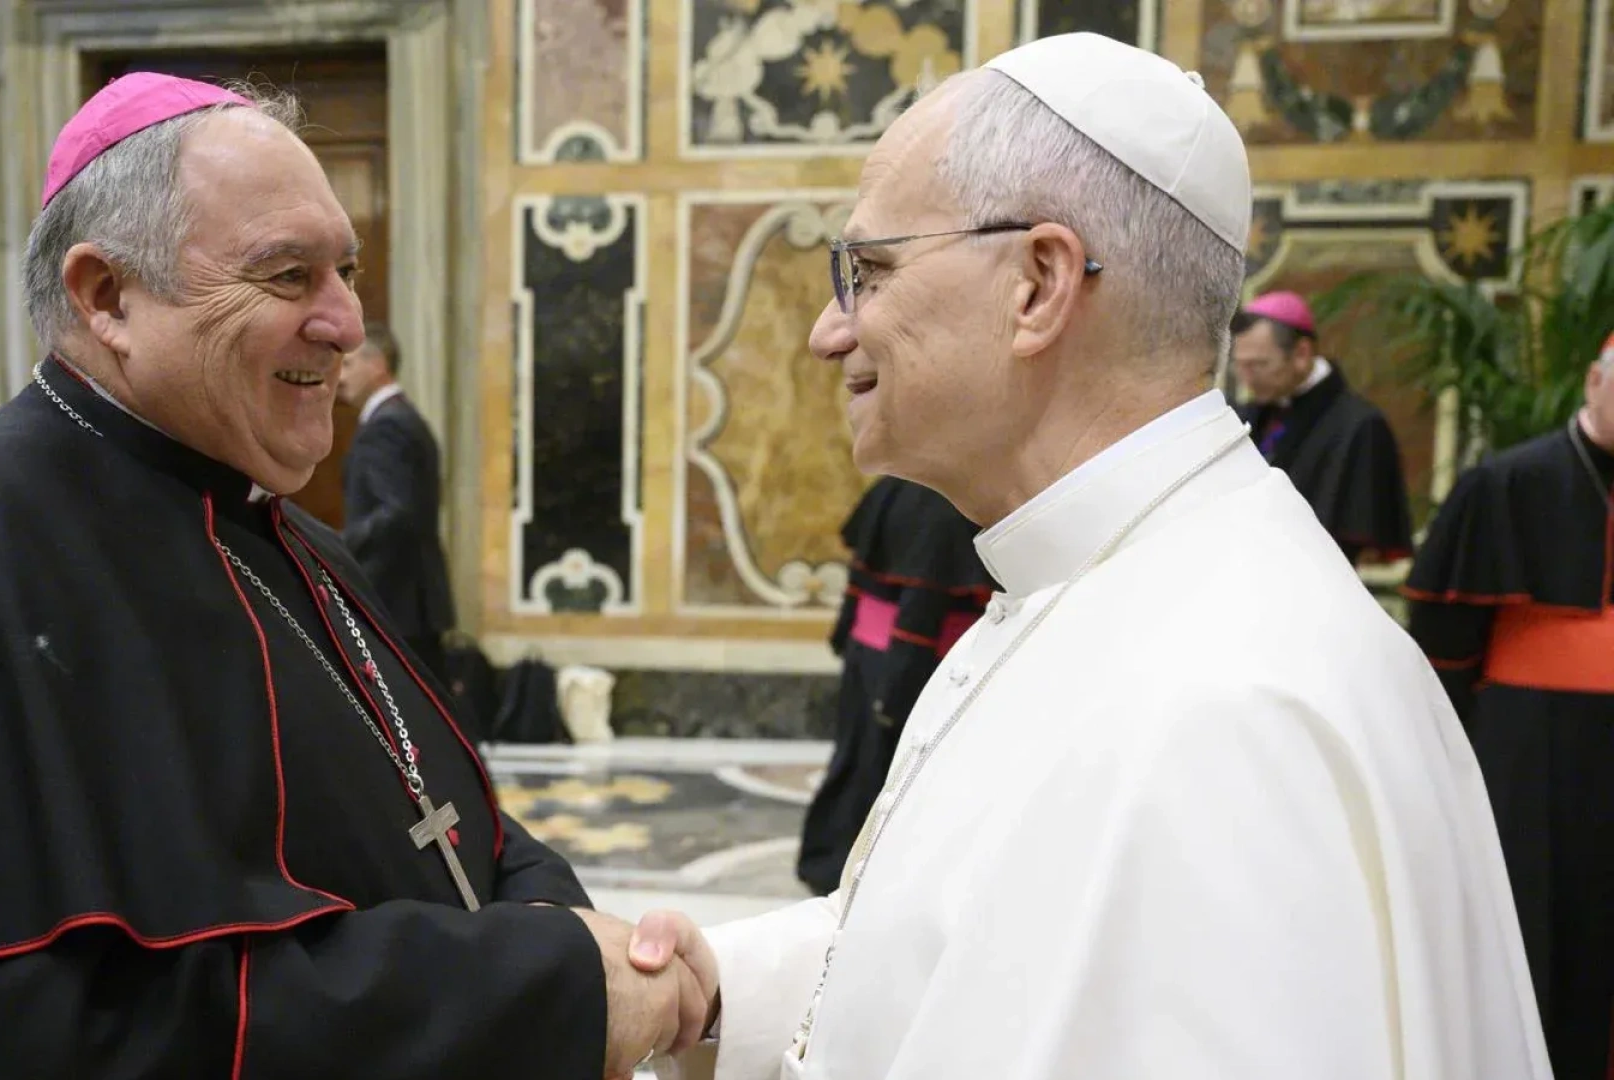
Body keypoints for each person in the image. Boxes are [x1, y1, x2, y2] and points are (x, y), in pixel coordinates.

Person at [0, 74, 706, 1080]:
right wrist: (540, 985)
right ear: (107, 297)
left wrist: (571, 925)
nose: (347, 323)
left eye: (347, 271)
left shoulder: (297, 541)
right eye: (287, 276)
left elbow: (440, 824)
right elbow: (64, 1036)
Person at [643, 32, 1549, 1080]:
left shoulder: (1227, 716)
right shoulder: (1097, 588)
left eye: (870, 271)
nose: (827, 333)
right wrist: (710, 991)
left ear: (1038, 283)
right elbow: (965, 943)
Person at [1403, 334, 1614, 1080]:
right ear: (1592, 381)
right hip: (1531, 744)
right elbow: (1445, 636)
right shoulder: (1506, 482)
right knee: (1532, 917)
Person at [795, 476, 992, 895]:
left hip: (868, 656)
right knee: (887, 774)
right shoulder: (940, 506)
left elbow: (863, 574)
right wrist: (896, 688)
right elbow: (920, 606)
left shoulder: (893, 488)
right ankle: (848, 876)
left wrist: (845, 634)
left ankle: (828, 863)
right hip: (911, 665)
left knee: (858, 760)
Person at [1229, 291, 1415, 566]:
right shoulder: (1251, 414)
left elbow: (1356, 540)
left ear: (1302, 354)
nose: (1247, 379)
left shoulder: (1360, 426)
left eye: (1258, 365)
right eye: (1240, 366)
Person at [334, 321, 456, 677]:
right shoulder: (399, 417)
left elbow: (397, 512)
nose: (338, 376)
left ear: (378, 364)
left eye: (348, 364)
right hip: (407, 600)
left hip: (397, 599)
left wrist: (339, 546)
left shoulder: (389, 425)